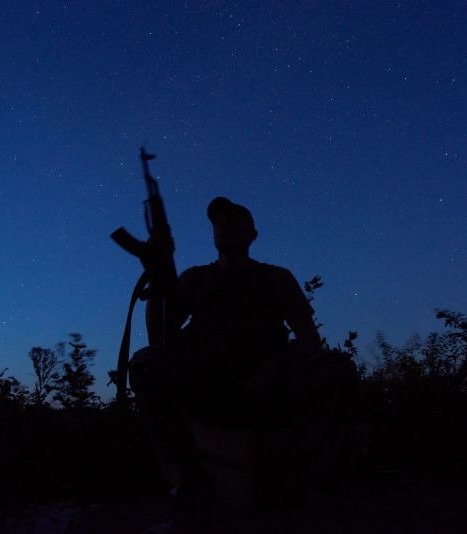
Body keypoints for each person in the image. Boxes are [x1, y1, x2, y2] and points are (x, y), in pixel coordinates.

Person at [129, 197, 357, 493]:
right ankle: (184, 479)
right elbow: (159, 340)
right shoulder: (195, 278)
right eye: (218, 221)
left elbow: (309, 340)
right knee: (147, 363)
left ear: (252, 234)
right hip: (205, 385)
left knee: (336, 368)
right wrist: (158, 278)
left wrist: (271, 373)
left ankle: (322, 480)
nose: (224, 224)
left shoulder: (276, 277)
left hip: (270, 388)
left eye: (235, 219)